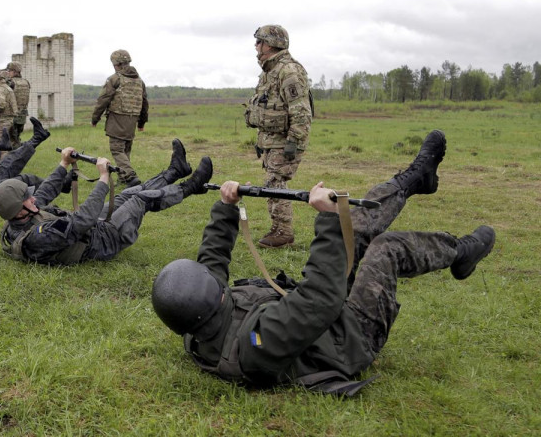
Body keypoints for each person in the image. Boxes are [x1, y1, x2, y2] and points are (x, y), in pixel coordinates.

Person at [151, 131, 496, 393]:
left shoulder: (200, 319)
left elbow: (212, 259)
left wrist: (226, 207)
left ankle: (416, 178)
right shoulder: (257, 342)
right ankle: (460, 253)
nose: (214, 278)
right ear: (214, 298)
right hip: (352, 334)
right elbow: (321, 298)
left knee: (356, 224)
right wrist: (328, 219)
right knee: (384, 249)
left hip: (316, 317)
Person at [0, 139, 211, 266]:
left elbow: (47, 190)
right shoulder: (39, 236)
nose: (33, 198)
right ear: (19, 210)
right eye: (28, 198)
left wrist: (64, 163)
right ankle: (191, 186)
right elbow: (83, 219)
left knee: (128, 193)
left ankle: (174, 171)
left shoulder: (21, 216)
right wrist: (104, 178)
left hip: (95, 228)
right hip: (106, 240)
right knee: (140, 199)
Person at [244, 25, 313, 248]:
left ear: (271, 44)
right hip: (272, 141)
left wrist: (294, 142)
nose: (256, 46)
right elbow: (266, 108)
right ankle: (277, 228)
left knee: (276, 183)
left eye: (259, 42)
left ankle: (284, 232)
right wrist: (260, 140)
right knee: (272, 183)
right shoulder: (269, 71)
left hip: (285, 141)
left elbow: (301, 111)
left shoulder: (289, 71)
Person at [91, 49, 149, 187]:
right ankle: (123, 181)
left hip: (117, 120)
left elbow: (103, 99)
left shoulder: (114, 79)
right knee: (125, 150)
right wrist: (141, 122)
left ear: (116, 64)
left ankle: (130, 176)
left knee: (117, 150)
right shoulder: (140, 81)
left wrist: (95, 118)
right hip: (132, 121)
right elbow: (144, 103)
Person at [5, 61, 31, 149]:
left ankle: (15, 157)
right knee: (17, 137)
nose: (8, 73)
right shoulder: (26, 82)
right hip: (23, 114)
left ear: (15, 71)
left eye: (9, 71)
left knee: (11, 138)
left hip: (12, 114)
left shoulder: (11, 82)